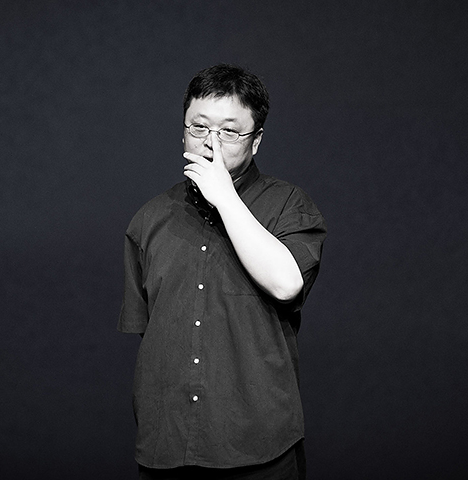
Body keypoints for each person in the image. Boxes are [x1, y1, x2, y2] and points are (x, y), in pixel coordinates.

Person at [119, 64, 326, 480]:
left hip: (259, 448)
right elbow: (153, 334)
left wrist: (225, 198)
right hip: (167, 446)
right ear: (183, 131)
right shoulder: (150, 218)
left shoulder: (288, 204)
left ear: (256, 140)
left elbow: (286, 285)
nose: (210, 142)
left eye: (229, 131)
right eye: (199, 127)